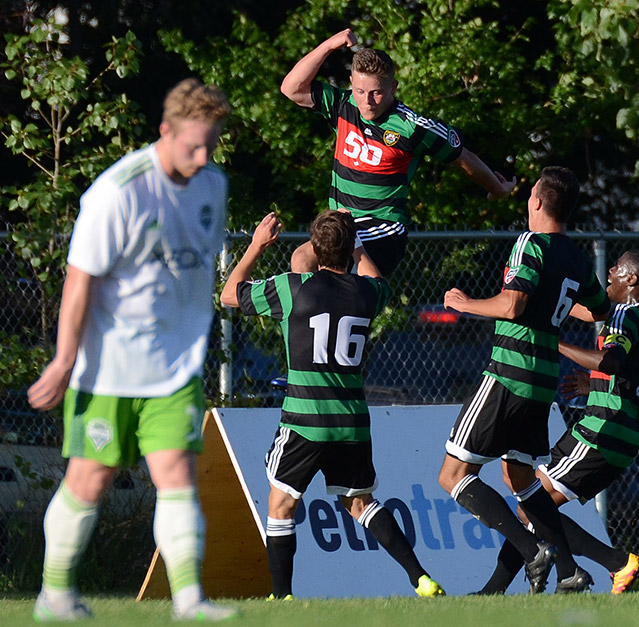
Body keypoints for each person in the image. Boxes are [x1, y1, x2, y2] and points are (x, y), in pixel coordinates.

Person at [27, 79, 238, 621]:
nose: (202, 156)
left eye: (211, 145)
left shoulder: (213, 184)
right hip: (107, 368)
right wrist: (64, 360)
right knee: (89, 480)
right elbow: (80, 282)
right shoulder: (118, 192)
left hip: (173, 367)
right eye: (193, 145)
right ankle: (54, 595)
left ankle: (190, 601)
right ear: (164, 132)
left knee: (176, 475)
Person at [221, 209, 445, 599]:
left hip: (307, 419)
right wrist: (356, 244)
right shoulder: (368, 293)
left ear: (315, 249)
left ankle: (282, 596)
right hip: (352, 421)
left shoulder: (294, 288)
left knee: (281, 504)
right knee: (360, 503)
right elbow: (373, 274)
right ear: (350, 249)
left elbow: (229, 294)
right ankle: (420, 578)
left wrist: (257, 244)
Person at [437, 166, 611, 594]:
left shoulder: (530, 244)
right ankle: (570, 570)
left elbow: (513, 306)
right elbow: (599, 310)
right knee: (520, 478)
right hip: (542, 381)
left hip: (508, 372)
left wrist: (465, 303)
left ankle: (532, 549)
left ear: (536, 201)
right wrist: (556, 303)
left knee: (453, 475)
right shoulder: (575, 255)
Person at [477, 249, 639, 595]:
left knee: (531, 504)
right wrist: (598, 384)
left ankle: (617, 563)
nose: (610, 272)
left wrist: (552, 340)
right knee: (534, 507)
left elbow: (609, 360)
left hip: (600, 430)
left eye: (616, 268)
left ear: (632, 280)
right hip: (626, 438)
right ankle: (497, 590)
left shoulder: (623, 317)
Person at [280, 28, 516, 276]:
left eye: (376, 92)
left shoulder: (413, 127)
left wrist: (497, 188)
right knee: (318, 281)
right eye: (360, 91)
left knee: (304, 259)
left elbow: (463, 157)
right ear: (352, 84)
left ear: (393, 87)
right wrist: (330, 44)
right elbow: (291, 88)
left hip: (383, 229)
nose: (367, 101)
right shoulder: (342, 105)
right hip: (342, 224)